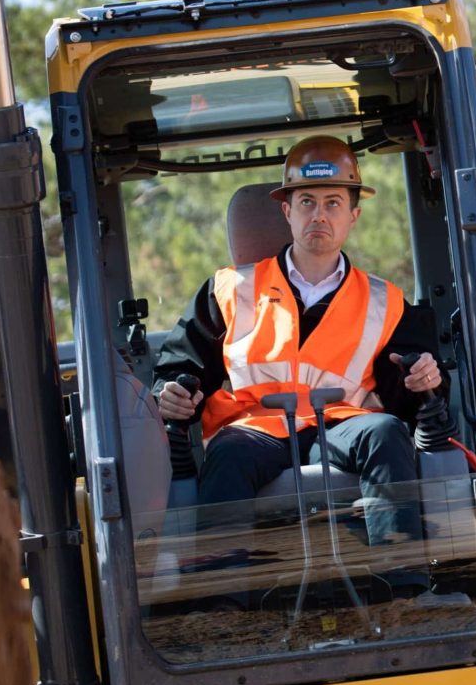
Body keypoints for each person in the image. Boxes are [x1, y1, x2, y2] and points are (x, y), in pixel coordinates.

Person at [152, 135, 447, 595]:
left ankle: (402, 586)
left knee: (387, 432)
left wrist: (423, 378)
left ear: (354, 215)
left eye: (333, 202)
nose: (319, 215)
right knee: (225, 456)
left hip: (343, 428)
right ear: (286, 211)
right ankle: (221, 604)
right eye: (306, 201)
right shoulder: (229, 289)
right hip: (256, 431)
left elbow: (409, 391)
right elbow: (181, 365)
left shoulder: (385, 302)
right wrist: (172, 388)